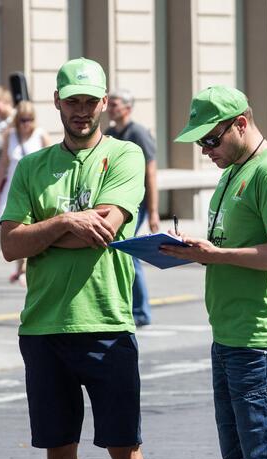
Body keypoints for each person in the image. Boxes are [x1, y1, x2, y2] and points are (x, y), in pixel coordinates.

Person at [0, 57, 147, 459]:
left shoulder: (124, 155)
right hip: (43, 327)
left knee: (126, 451)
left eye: (89, 101)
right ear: (57, 103)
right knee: (59, 451)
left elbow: (105, 229)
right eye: (72, 101)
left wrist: (41, 235)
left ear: (104, 103)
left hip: (107, 323)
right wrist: (65, 221)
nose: (80, 110)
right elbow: (10, 245)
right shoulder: (32, 166)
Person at [163, 85, 267, 459]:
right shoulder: (232, 172)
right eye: (200, 143)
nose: (206, 151)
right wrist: (198, 250)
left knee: (266, 458)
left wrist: (217, 254)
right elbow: (230, 244)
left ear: (240, 125)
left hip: (260, 339)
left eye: (211, 139)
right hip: (229, 335)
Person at [105, 89, 158, 327]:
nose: (111, 108)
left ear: (127, 108)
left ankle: (140, 311)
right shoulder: (109, 133)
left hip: (137, 202)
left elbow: (151, 173)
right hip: (116, 199)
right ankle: (123, 305)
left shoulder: (138, 133)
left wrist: (154, 212)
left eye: (115, 104)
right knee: (116, 250)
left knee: (129, 251)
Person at [0, 101, 49, 285]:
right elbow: (3, 163)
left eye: (30, 119)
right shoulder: (11, 135)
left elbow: (53, 162)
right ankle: (20, 266)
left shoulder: (41, 136)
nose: (26, 124)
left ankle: (24, 267)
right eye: (23, 120)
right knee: (13, 226)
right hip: (13, 185)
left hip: (35, 187)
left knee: (30, 223)